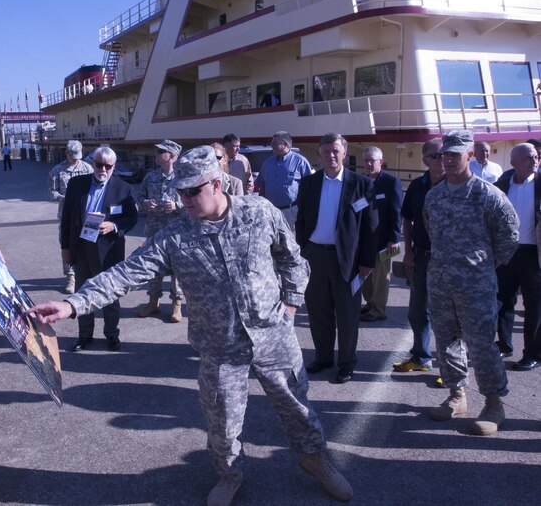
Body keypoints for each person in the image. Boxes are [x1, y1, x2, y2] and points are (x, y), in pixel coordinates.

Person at [29, 146, 353, 505]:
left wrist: (290, 305)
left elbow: (292, 258)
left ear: (217, 185)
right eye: (179, 192)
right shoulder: (175, 236)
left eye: (191, 191)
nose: (183, 199)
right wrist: (71, 304)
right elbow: (125, 275)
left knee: (296, 404)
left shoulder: (259, 213)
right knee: (223, 422)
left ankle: (315, 458)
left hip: (272, 334)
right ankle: (230, 474)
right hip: (220, 345)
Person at [423, 130, 518, 436]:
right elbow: (430, 230)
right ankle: (456, 395)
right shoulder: (434, 195)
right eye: (443, 155)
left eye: (455, 154)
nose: (448, 160)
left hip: (476, 286)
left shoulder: (487, 195)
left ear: (471, 156)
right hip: (440, 282)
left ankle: (494, 403)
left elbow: (509, 236)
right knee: (446, 342)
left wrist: (483, 266)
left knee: (480, 345)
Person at [295, 133, 377, 384]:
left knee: (347, 315)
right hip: (314, 257)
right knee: (318, 312)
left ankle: (346, 362)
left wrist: (367, 262)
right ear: (319, 154)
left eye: (336, 151)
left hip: (348, 260)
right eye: (326, 151)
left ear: (344, 153)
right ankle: (323, 357)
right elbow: (302, 221)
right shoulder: (309, 183)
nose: (331, 155)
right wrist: (302, 251)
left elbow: (370, 227)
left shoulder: (361, 184)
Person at [60, 146, 137, 352]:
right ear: (93, 162)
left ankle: (112, 335)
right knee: (82, 292)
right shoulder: (76, 184)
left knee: (109, 294)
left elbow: (132, 218)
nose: (103, 169)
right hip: (81, 248)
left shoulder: (123, 189)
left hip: (108, 250)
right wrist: (64, 247)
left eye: (108, 166)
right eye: (99, 164)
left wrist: (114, 226)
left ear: (114, 166)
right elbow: (66, 218)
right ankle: (84, 336)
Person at [394, 138, 444, 373]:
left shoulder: (456, 184)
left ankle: (451, 369)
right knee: (417, 311)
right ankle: (421, 357)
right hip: (423, 257)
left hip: (450, 261)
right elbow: (407, 219)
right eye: (436, 155)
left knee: (450, 317)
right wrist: (409, 252)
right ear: (425, 160)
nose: (442, 159)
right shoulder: (417, 187)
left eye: (445, 154)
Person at [495, 143, 541, 371]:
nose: (536, 160)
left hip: (534, 254)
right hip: (507, 251)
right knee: (503, 300)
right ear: (514, 163)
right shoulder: (503, 184)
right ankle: (504, 345)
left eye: (536, 157)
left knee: (534, 305)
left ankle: (532, 353)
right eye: (530, 157)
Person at [136, 139, 184, 322]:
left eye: (160, 152)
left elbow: (194, 204)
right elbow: (139, 198)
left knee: (176, 269)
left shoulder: (182, 178)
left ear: (171, 156)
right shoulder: (151, 177)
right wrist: (147, 203)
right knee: (153, 266)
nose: (155, 154)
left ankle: (176, 305)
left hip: (175, 231)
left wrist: (177, 205)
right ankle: (153, 302)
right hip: (154, 230)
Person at [360, 146, 402, 322]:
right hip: (365, 240)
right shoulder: (362, 182)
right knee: (367, 276)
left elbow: (396, 212)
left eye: (372, 160)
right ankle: (370, 304)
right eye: (366, 161)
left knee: (381, 277)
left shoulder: (391, 182)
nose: (369, 164)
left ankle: (379, 309)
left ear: (381, 162)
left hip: (384, 240)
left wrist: (394, 238)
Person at [48, 140, 93, 294]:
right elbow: (51, 192)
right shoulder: (57, 170)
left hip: (85, 214)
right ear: (66, 153)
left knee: (87, 243)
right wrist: (63, 198)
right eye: (72, 156)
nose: (75, 159)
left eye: (77, 156)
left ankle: (86, 275)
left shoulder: (87, 168)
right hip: (66, 215)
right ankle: (71, 277)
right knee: (67, 245)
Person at [255, 131, 313, 233]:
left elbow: (310, 188)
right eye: (272, 143)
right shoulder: (267, 163)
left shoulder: (300, 162)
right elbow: (262, 187)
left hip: (291, 211)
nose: (272, 146)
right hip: (270, 210)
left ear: (286, 145)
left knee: (292, 241)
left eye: (275, 143)